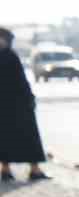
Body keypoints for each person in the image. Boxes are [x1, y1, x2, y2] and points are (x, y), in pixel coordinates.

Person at [0, 28, 49, 183]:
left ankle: (5, 169)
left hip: (5, 105)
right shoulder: (10, 55)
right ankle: (34, 169)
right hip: (18, 104)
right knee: (29, 137)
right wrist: (29, 99)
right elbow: (21, 81)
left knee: (4, 137)